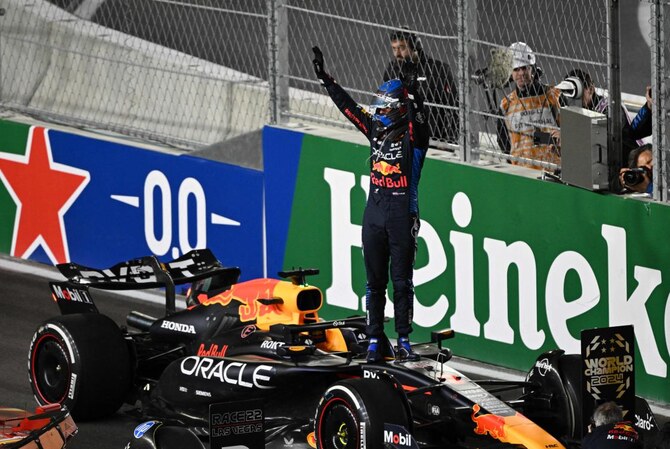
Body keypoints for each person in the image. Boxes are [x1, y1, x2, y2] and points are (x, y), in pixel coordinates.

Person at [312, 45, 429, 363]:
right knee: (374, 283)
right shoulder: (376, 129)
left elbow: (421, 126)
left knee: (402, 283)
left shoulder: (414, 140)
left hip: (402, 216)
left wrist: (414, 95)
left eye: (385, 106)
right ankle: (375, 338)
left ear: (398, 109)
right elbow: (350, 109)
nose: (378, 111)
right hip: (374, 215)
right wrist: (326, 79)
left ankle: (403, 340)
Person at [382, 27, 459, 145]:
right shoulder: (392, 70)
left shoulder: (437, 70)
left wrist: (450, 140)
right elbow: (384, 103)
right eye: (394, 48)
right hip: (400, 138)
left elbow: (455, 107)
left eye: (402, 48)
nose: (397, 53)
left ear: (415, 47)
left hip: (431, 139)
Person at [560, 69, 649, 162]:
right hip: (605, 157)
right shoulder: (579, 107)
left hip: (629, 156)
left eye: (579, 93)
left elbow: (602, 137)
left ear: (591, 89)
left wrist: (569, 137)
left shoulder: (610, 107)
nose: (574, 99)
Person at [499, 42, 564, 170]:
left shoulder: (554, 96)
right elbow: (503, 141)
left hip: (553, 171)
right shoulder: (506, 105)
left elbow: (571, 130)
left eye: (525, 68)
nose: (521, 73)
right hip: (521, 170)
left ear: (532, 69)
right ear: (510, 73)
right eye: (516, 69)